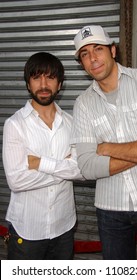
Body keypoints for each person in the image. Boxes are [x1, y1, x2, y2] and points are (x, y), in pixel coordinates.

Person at [70, 25, 137, 260]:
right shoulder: (83, 103)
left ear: (113, 50)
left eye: (98, 49)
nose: (93, 58)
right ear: (82, 63)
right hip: (110, 209)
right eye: (85, 54)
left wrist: (106, 148)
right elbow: (87, 166)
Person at [2, 52, 83, 260]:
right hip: (28, 229)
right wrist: (65, 167)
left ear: (60, 84)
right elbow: (17, 180)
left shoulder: (72, 123)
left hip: (63, 226)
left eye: (50, 77)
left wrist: (39, 163)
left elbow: (82, 169)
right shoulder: (15, 124)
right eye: (37, 77)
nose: (44, 84)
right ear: (28, 84)